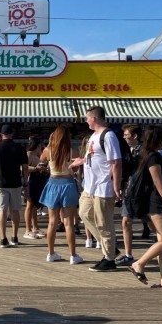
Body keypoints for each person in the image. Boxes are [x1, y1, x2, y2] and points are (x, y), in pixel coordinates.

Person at [70, 106, 123, 272]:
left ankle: (109, 259)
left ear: (94, 118)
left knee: (104, 223)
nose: (86, 121)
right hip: (90, 186)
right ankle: (111, 248)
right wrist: (80, 161)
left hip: (103, 186)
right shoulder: (94, 136)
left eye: (87, 118)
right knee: (84, 213)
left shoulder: (109, 136)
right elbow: (92, 157)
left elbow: (116, 162)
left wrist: (116, 185)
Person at [126, 126, 162, 287]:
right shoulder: (153, 158)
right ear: (158, 140)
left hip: (154, 203)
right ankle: (139, 264)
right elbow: (158, 182)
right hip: (158, 203)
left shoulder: (149, 155)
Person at [39, 125, 83, 264]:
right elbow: (76, 167)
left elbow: (41, 163)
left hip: (53, 183)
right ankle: (73, 255)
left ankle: (51, 253)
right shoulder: (71, 151)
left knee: (52, 222)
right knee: (69, 222)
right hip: (68, 184)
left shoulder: (48, 150)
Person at [0, 125, 29, 248]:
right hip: (15, 183)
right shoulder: (19, 148)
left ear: (1, 134)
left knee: (2, 210)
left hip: (0, 184)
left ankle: (3, 238)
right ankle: (14, 237)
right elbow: (25, 168)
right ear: (12, 134)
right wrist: (25, 183)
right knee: (15, 210)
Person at [117, 124, 144, 267]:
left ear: (134, 136)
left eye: (126, 134)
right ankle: (128, 254)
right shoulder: (126, 150)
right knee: (125, 221)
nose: (124, 137)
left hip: (142, 191)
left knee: (152, 223)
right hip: (129, 190)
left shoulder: (144, 151)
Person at [24, 138, 47, 240]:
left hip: (37, 181)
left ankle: (35, 227)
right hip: (30, 181)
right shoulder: (29, 154)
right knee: (29, 205)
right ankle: (27, 229)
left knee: (33, 205)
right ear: (37, 145)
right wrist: (35, 168)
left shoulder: (36, 155)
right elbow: (23, 168)